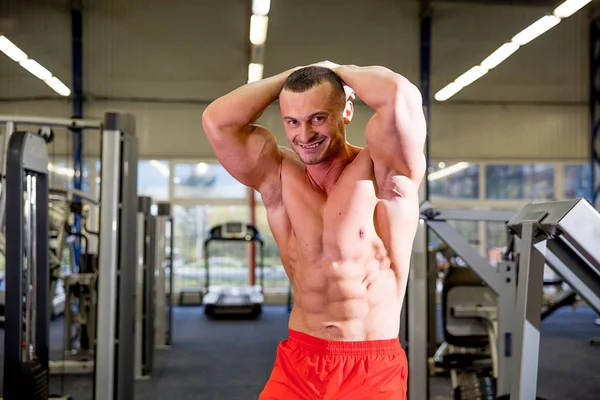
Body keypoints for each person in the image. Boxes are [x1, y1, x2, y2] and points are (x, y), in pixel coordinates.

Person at [202, 61, 427, 400]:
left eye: (317, 118)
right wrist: (291, 77)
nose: (303, 135)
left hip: (369, 365)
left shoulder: (384, 175)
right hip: (299, 361)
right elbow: (217, 121)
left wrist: (336, 69)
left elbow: (398, 96)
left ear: (346, 111)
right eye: (292, 121)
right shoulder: (278, 177)